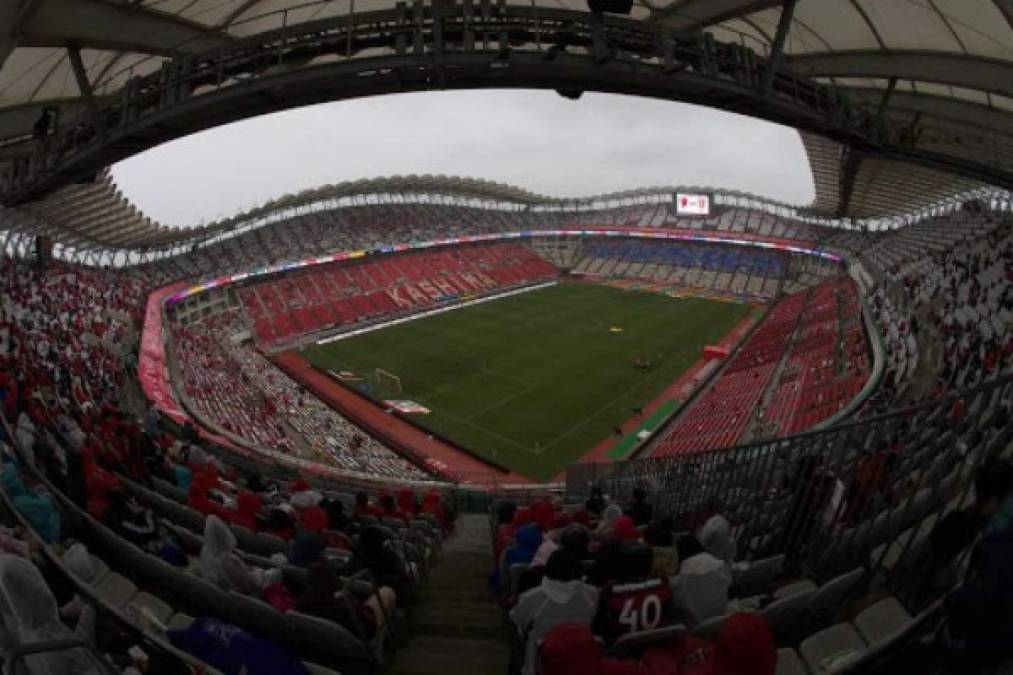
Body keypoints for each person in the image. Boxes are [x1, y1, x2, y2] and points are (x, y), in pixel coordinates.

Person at [943, 458, 1013, 671]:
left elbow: (978, 597)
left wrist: (951, 601)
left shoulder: (997, 548)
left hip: (992, 640)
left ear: (992, 500)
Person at [0, 554, 106, 675]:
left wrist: (64, 611)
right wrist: (89, 611)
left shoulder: (19, 634)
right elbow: (83, 650)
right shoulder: (48, 642)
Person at [510, 550, 599, 675]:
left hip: (540, 660)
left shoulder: (532, 597)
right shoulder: (592, 594)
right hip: (581, 658)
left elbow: (517, 620)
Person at [594, 543, 676, 646]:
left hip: (623, 652)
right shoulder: (663, 584)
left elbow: (599, 628)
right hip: (660, 644)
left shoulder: (609, 591)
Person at [293, 561, 395, 641]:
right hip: (362, 633)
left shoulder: (300, 605)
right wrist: (359, 605)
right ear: (331, 581)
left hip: (331, 641)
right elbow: (367, 623)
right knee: (386, 591)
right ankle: (386, 634)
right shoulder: (341, 605)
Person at [198, 515, 282, 596]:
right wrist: (271, 573)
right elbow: (251, 583)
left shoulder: (206, 551)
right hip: (242, 594)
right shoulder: (228, 561)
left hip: (223, 593)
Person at [670, 534, 731, 626]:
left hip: (696, 627)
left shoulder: (680, 580)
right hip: (722, 619)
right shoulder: (719, 565)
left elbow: (677, 600)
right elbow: (728, 583)